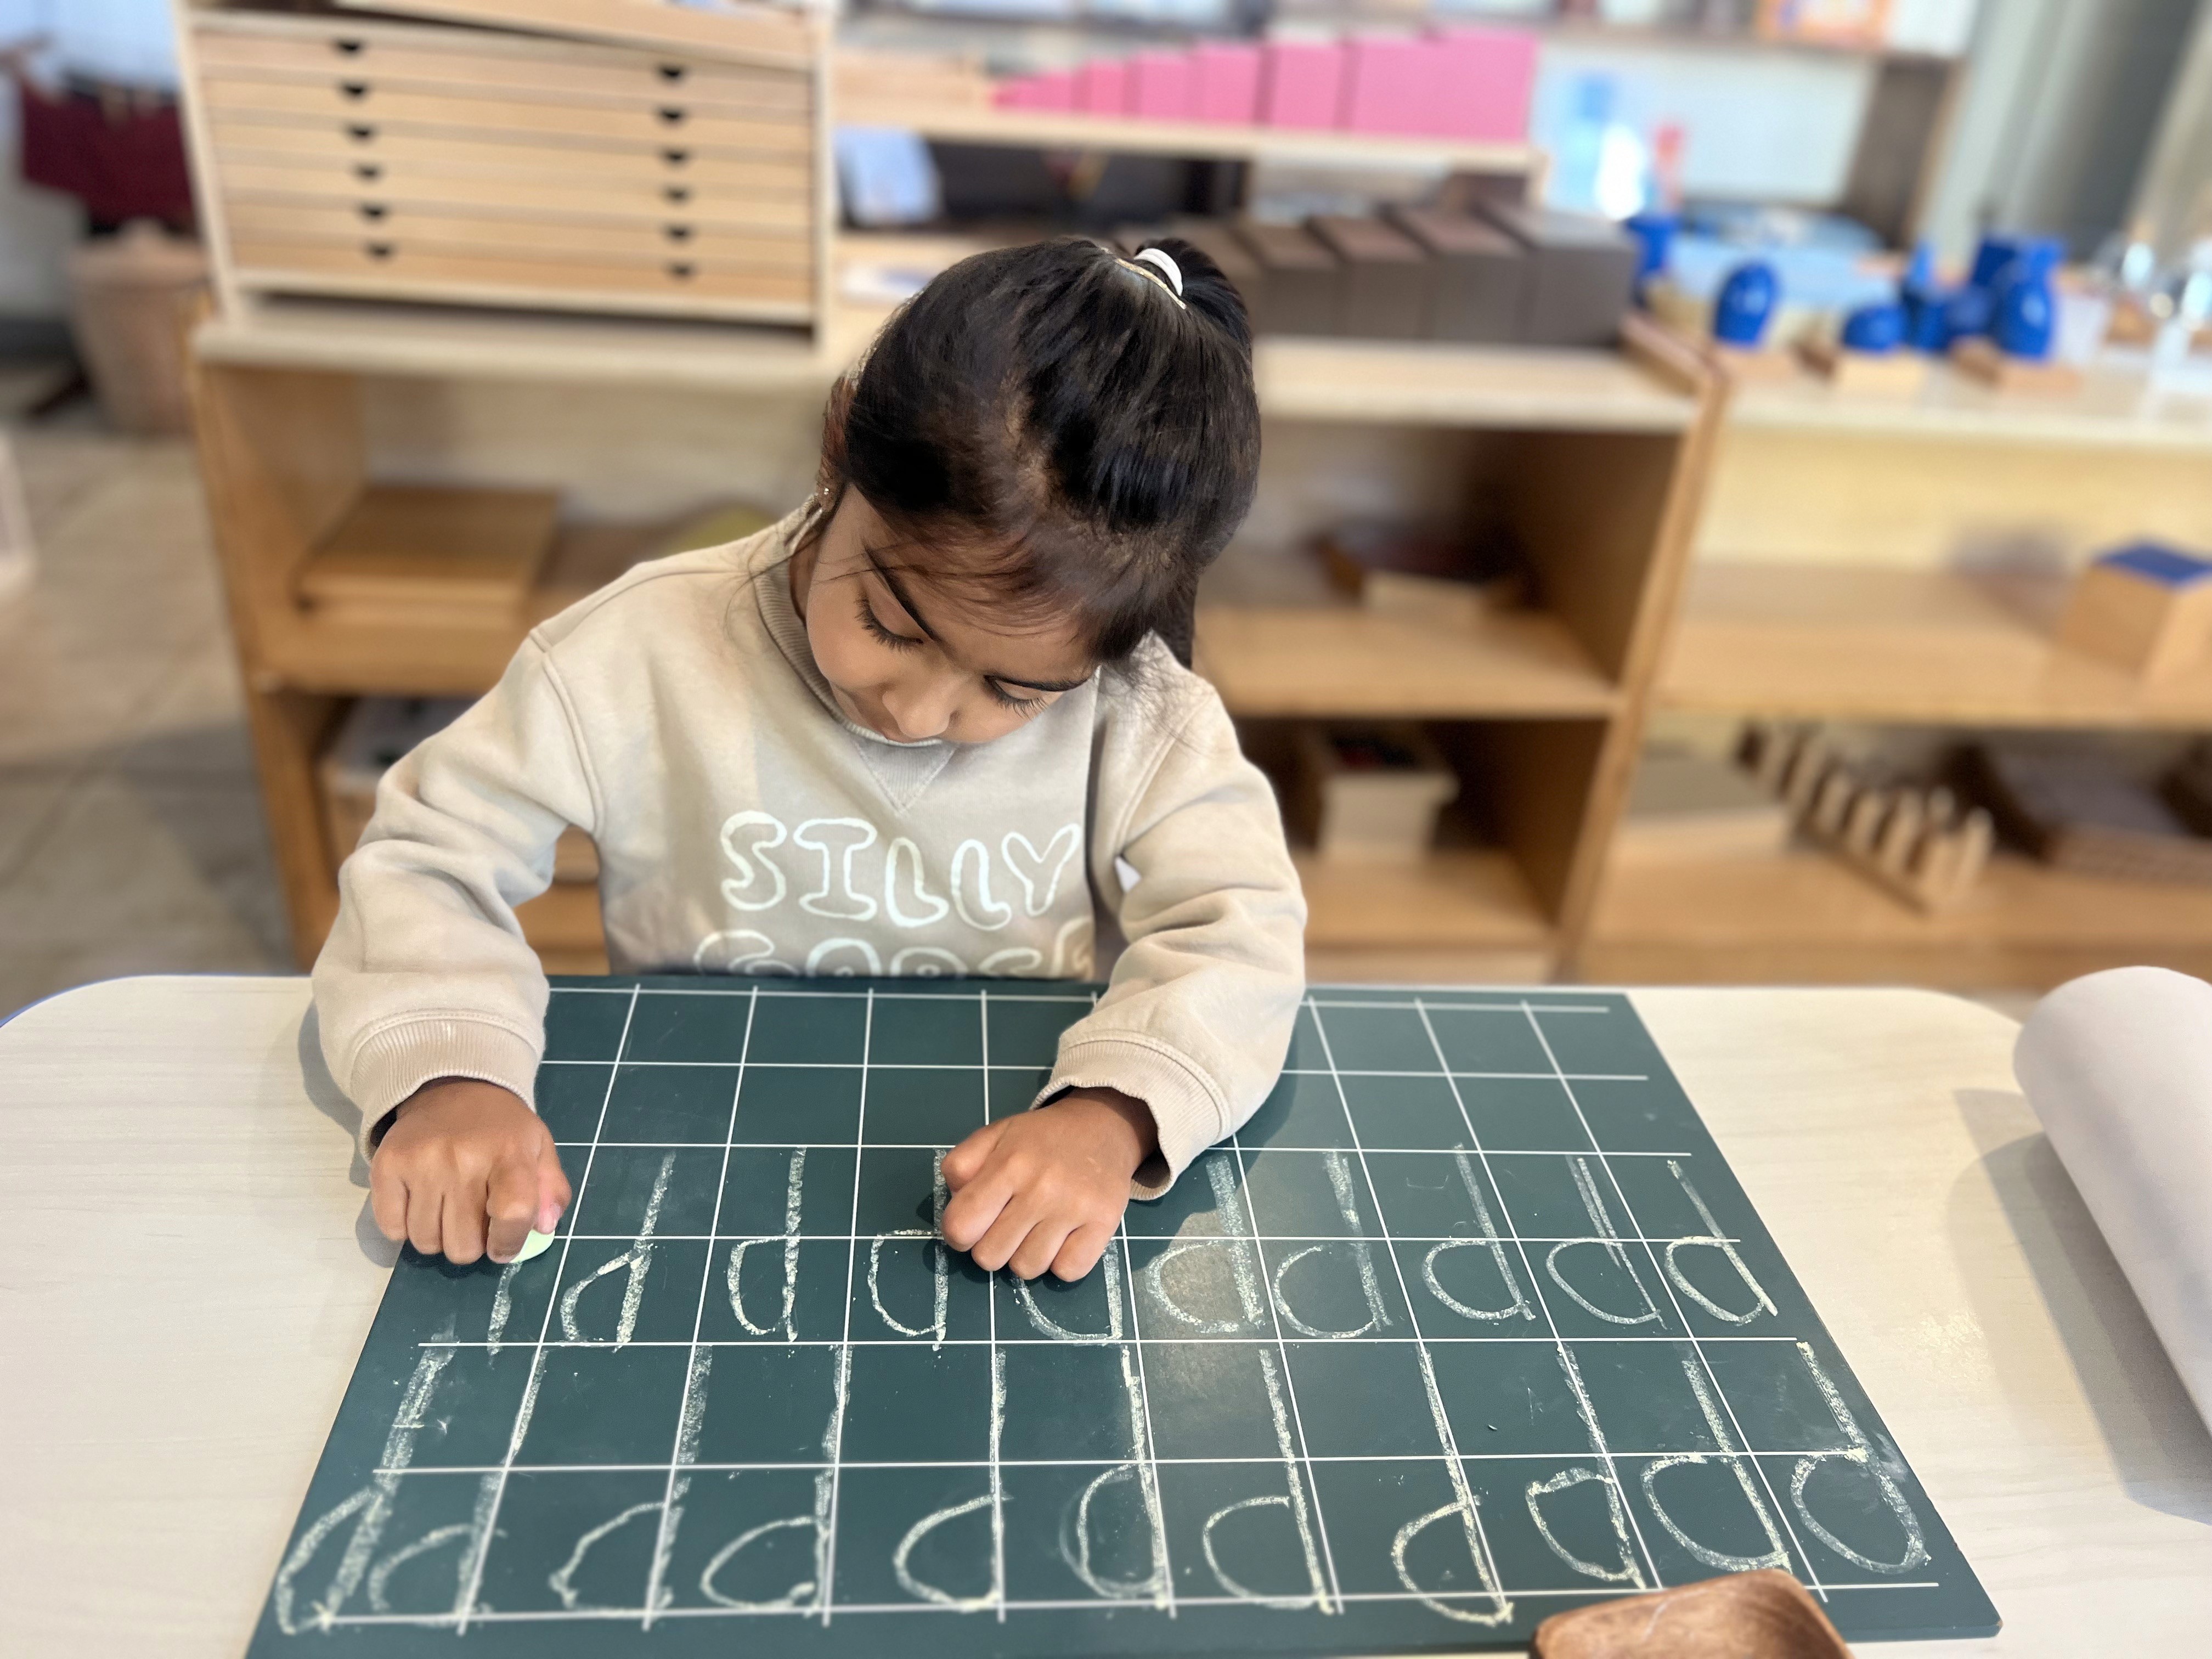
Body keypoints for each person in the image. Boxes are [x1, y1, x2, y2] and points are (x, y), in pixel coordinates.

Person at [312, 238, 1306, 1284]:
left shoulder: (1139, 710)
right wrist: (448, 1074)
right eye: (889, 620)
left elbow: (1239, 926)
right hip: (683, 1146)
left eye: (1014, 692)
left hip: (1000, 1150)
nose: (920, 710)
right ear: (840, 453)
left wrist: (1113, 1115)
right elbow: (430, 854)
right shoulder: (637, 649)